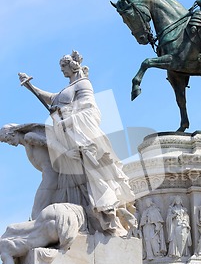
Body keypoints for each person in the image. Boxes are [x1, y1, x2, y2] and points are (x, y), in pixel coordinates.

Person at [18, 50, 135, 235]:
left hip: (81, 137)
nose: (62, 71)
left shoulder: (84, 84)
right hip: (67, 140)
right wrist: (31, 86)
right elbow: (53, 99)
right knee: (70, 178)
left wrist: (67, 120)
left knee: (93, 176)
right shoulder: (69, 87)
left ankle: (106, 215)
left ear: (71, 66)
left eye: (63, 67)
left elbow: (91, 111)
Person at [0, 123, 59, 219]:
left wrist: (68, 153)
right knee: (38, 213)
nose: (9, 143)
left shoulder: (29, 137)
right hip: (49, 177)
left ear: (13, 133)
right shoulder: (26, 144)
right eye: (6, 142)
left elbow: (52, 144)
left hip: (51, 177)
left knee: (36, 212)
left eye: (7, 139)